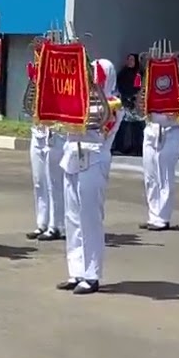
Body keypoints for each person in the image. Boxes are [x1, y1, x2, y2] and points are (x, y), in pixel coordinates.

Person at [57, 58, 122, 295]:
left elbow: (100, 127)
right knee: (72, 217)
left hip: (93, 159)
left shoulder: (113, 104)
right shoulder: (79, 100)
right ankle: (76, 271)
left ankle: (92, 274)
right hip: (72, 156)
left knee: (90, 218)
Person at [141, 55, 179, 231]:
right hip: (151, 129)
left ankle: (163, 217)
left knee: (165, 175)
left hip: (170, 130)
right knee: (150, 176)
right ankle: (153, 215)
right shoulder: (150, 79)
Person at [27, 121, 66, 241]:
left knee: (54, 183)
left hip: (56, 134)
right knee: (39, 181)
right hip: (39, 132)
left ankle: (56, 226)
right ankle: (42, 224)